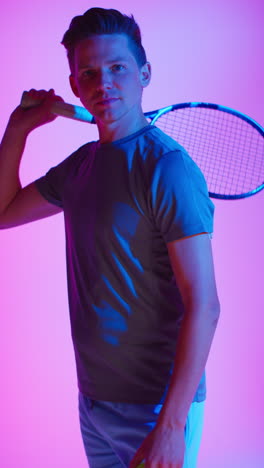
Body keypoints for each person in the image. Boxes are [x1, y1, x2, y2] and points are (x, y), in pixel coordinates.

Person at [0, 7, 220, 468]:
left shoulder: (167, 168)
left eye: (118, 68)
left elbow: (205, 302)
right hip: (94, 402)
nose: (104, 84)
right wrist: (17, 130)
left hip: (155, 408)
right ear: (76, 85)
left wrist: (172, 426)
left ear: (144, 74)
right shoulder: (81, 166)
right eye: (89, 73)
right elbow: (2, 214)